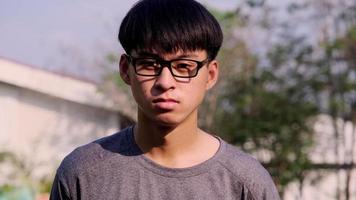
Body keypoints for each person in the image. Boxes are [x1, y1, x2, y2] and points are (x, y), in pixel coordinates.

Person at [49, 0, 280, 199]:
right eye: (150, 64)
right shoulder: (83, 173)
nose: (165, 81)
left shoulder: (246, 183)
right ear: (125, 69)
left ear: (210, 75)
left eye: (183, 66)